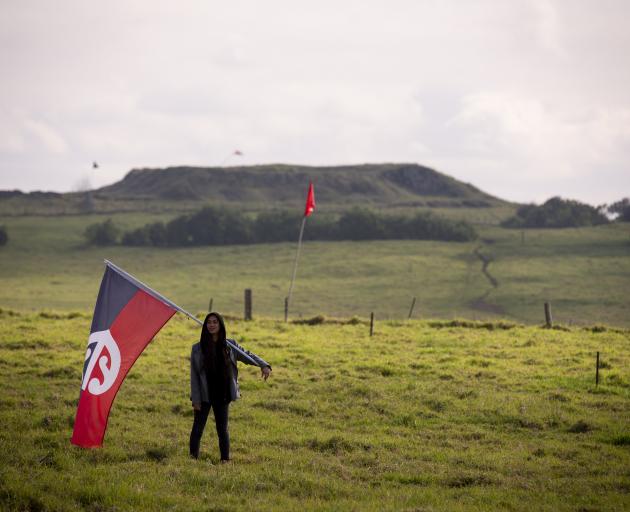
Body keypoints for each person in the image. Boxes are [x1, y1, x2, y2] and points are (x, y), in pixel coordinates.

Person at [189, 312, 271, 462]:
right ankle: (192, 459)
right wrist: (196, 399)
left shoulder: (230, 345)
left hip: (223, 393)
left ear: (220, 325)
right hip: (204, 394)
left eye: (215, 322)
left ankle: (225, 460)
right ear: (205, 326)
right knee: (197, 429)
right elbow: (194, 376)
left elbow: (248, 355)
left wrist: (263, 364)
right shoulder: (197, 348)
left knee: (222, 430)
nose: (211, 325)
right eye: (209, 322)